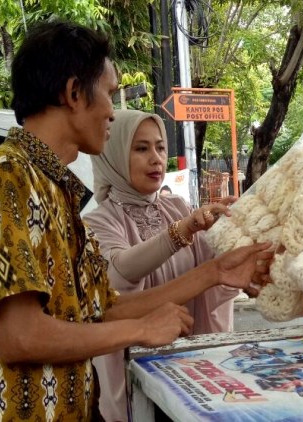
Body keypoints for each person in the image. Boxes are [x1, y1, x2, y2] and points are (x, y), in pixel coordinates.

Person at [0, 19, 273, 421]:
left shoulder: (56, 191)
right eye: (109, 93)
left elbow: (104, 308)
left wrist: (216, 272)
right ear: (74, 93)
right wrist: (142, 330)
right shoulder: (4, 177)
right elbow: (21, 337)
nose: (113, 110)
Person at [84, 109, 240, 421]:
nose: (156, 159)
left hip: (189, 373)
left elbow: (211, 275)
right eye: (141, 148)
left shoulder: (177, 207)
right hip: (137, 376)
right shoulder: (96, 223)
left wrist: (236, 232)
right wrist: (181, 232)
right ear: (112, 155)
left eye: (160, 147)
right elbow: (117, 274)